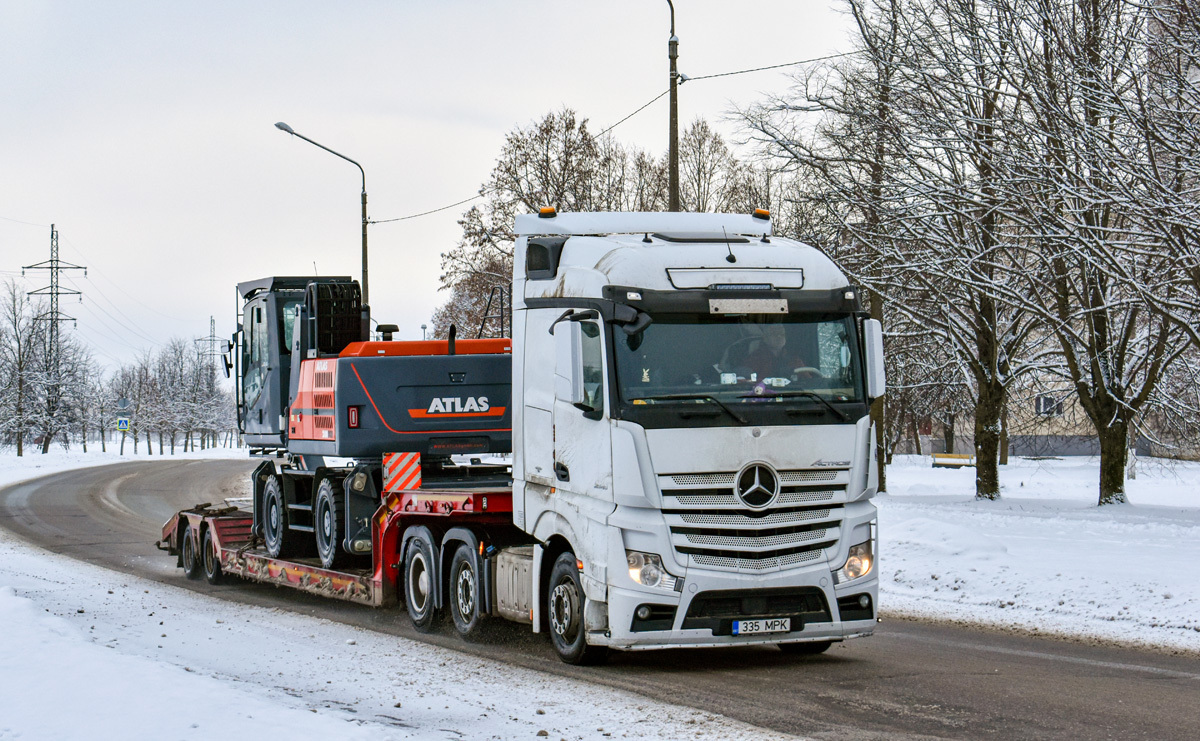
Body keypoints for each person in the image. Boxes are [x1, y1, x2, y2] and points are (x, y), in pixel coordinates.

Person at [743, 323, 818, 381]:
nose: (779, 336)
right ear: (765, 338)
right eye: (774, 333)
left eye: (782, 334)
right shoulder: (754, 359)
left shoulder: (795, 360)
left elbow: (809, 382)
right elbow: (748, 383)